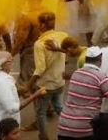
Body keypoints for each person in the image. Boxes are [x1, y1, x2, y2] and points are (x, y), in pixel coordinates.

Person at [57, 46, 108, 139]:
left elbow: (91, 91)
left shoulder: (76, 73)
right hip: (83, 130)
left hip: (63, 127)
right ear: (100, 60)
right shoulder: (100, 77)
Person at [0, 52, 45, 139]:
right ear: (4, 64)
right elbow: (12, 108)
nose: (12, 63)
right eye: (11, 61)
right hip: (3, 130)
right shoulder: (3, 81)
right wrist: (35, 95)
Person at [28, 12, 67, 140]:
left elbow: (40, 68)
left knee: (41, 113)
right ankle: (72, 129)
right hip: (60, 82)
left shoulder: (39, 44)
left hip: (45, 86)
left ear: (42, 25)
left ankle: (44, 137)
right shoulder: (63, 36)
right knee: (60, 107)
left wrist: (30, 84)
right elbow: (71, 51)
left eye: (39, 23)